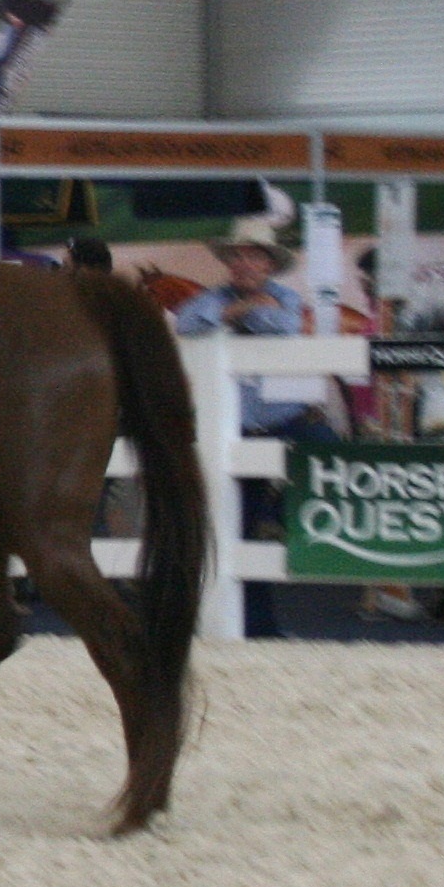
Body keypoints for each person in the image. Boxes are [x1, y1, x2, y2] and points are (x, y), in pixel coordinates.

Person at [170, 218, 325, 640]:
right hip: (240, 434)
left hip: (288, 425)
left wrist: (231, 317)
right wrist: (247, 309)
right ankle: (260, 628)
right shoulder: (213, 300)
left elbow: (286, 325)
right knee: (239, 530)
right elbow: (187, 324)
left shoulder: (285, 299)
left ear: (270, 264)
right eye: (237, 255)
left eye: (253, 255)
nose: (244, 263)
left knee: (334, 473)